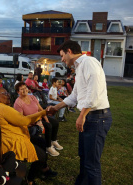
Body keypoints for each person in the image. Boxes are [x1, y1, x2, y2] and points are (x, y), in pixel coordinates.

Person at [48, 40, 112, 185]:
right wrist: (56, 108)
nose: (62, 59)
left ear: (69, 51)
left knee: (91, 163)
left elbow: (93, 92)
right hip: (91, 117)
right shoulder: (80, 67)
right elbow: (75, 96)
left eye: (62, 56)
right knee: (84, 157)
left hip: (97, 117)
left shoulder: (89, 62)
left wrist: (82, 115)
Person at [0, 88, 57, 185]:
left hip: (17, 135)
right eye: (5, 93)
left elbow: (18, 121)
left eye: (8, 92)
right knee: (42, 156)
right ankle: (30, 180)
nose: (8, 95)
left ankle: (43, 169)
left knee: (41, 141)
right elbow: (23, 120)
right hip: (13, 141)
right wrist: (44, 113)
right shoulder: (2, 108)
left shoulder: (0, 107)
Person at [14, 82, 63, 157]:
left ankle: (53, 141)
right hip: (31, 122)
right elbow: (21, 119)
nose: (24, 90)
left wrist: (46, 118)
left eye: (25, 88)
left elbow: (40, 109)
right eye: (21, 89)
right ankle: (48, 147)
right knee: (48, 126)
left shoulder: (32, 97)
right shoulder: (18, 103)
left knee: (55, 122)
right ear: (18, 92)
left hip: (39, 117)